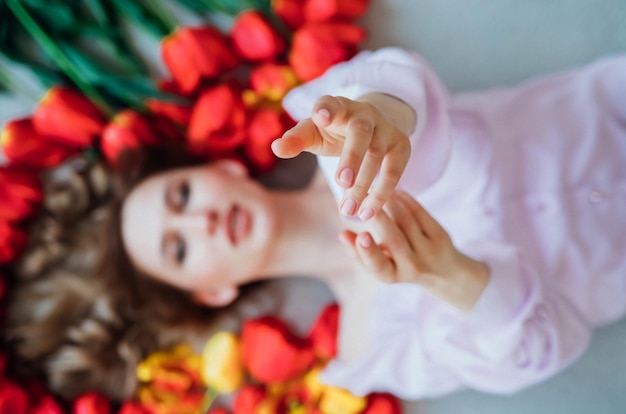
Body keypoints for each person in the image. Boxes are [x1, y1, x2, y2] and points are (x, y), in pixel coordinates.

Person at [7, 46, 626, 402]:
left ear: (223, 166)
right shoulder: (367, 350)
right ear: (211, 292)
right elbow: (547, 347)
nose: (199, 219)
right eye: (177, 247)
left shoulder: (326, 120)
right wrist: (449, 275)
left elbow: (397, 84)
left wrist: (380, 119)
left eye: (182, 195)